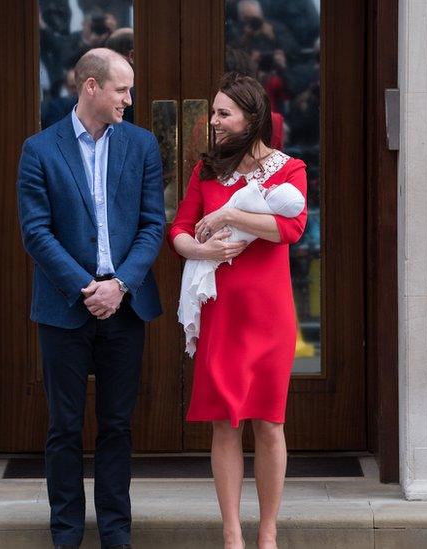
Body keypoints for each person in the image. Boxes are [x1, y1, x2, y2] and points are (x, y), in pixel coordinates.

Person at [16, 48, 164, 549]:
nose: (130, 98)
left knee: (117, 426)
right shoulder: (40, 149)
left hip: (125, 307)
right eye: (122, 89)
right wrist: (87, 288)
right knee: (63, 427)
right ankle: (66, 535)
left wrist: (119, 285)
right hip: (65, 308)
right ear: (91, 87)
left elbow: (152, 226)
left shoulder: (141, 146)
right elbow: (36, 233)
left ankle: (116, 534)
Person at [169, 73, 307, 549]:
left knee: (269, 422)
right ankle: (232, 535)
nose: (214, 121)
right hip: (222, 312)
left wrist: (228, 214)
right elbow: (180, 230)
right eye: (214, 112)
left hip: (269, 314)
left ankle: (267, 533)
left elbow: (289, 230)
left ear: (252, 119)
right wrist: (201, 252)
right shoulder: (204, 171)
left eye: (224, 113)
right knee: (225, 422)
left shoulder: (290, 169)